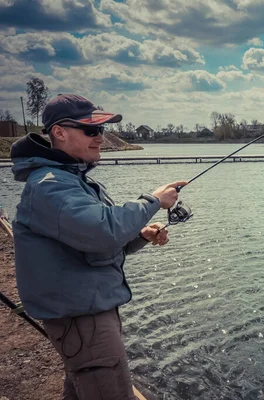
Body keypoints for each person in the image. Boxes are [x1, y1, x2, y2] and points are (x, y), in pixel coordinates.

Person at [10, 93, 187, 399]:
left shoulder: (71, 180)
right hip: (83, 320)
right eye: (91, 131)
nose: (101, 139)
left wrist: (140, 235)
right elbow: (102, 231)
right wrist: (154, 200)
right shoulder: (51, 185)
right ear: (59, 133)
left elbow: (98, 245)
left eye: (101, 131)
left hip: (86, 314)